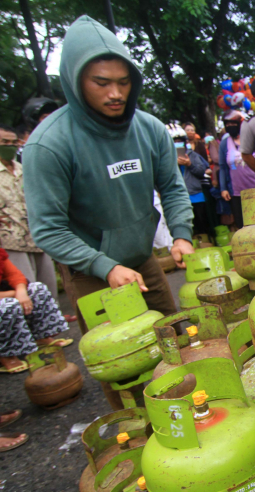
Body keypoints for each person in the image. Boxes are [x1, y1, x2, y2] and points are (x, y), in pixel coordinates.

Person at [22, 15, 194, 336]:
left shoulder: (150, 129)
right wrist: (106, 266)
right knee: (123, 361)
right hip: (90, 272)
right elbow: (48, 229)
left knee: (174, 339)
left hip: (143, 261)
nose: (116, 93)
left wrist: (181, 234)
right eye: (101, 83)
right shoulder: (49, 145)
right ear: (75, 81)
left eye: (124, 82)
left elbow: (171, 187)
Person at [0, 124, 59, 299]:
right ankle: (33, 322)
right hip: (9, 238)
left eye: (13, 142)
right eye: (4, 142)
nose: (10, 146)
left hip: (36, 234)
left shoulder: (22, 167)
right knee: (27, 284)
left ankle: (53, 319)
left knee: (47, 284)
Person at [0, 248, 71, 374]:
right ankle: (6, 354)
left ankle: (41, 337)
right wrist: (13, 294)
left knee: (37, 289)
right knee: (7, 306)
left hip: (5, 293)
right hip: (4, 297)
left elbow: (14, 275)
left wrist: (21, 291)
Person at [219, 111, 255, 228]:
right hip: (237, 192)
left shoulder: (253, 138)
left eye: (233, 123)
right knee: (243, 224)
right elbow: (222, 167)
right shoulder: (224, 143)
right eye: (228, 124)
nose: (230, 126)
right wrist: (223, 188)